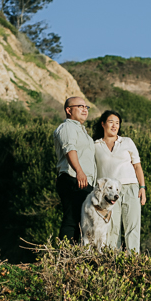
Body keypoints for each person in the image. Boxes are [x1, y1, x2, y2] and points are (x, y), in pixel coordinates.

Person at [93, 109, 146, 252]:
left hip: (130, 188)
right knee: (111, 227)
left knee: (132, 226)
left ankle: (133, 261)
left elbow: (137, 166)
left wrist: (142, 187)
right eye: (111, 122)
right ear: (103, 124)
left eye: (117, 123)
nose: (114, 126)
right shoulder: (95, 146)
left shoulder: (127, 141)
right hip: (108, 192)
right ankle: (113, 261)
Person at [53, 95, 95, 242]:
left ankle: (75, 256)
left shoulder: (82, 131)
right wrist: (79, 171)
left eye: (86, 107)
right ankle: (65, 256)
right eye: (80, 106)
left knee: (81, 220)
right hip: (73, 178)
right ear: (68, 110)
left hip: (83, 180)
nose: (85, 109)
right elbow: (69, 148)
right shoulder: (67, 127)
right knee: (72, 219)